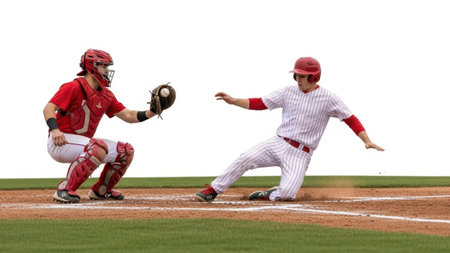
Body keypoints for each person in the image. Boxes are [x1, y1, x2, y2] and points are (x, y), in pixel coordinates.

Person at [195, 57, 384, 202]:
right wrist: (234, 101)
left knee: (286, 194)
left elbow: (350, 119)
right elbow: (261, 103)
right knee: (245, 158)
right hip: (278, 142)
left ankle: (269, 195)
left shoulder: (329, 98)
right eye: (297, 75)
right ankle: (213, 190)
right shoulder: (288, 91)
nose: (298, 79)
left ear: (314, 76)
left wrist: (366, 140)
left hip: (300, 153)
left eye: (302, 75)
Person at [44, 49, 163, 203]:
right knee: (98, 147)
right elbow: (48, 109)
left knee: (126, 151)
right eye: (104, 66)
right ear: (92, 66)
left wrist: (153, 111)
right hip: (61, 141)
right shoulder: (73, 87)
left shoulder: (106, 94)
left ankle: (101, 190)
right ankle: (64, 189)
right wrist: (55, 130)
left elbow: (129, 115)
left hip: (84, 144)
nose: (107, 70)